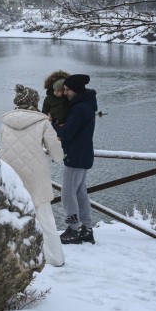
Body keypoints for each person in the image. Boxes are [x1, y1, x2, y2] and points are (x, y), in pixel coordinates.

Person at [0, 84, 66, 267]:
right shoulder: (43, 121)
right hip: (36, 176)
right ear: (35, 102)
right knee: (45, 218)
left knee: (13, 217)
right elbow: (57, 155)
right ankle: (55, 259)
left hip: (10, 176)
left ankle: (16, 257)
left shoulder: (5, 121)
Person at [55, 74, 98, 245]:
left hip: (76, 156)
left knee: (67, 194)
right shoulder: (87, 105)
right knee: (80, 193)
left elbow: (67, 134)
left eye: (67, 90)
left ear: (76, 90)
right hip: (84, 154)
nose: (65, 93)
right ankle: (86, 229)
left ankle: (73, 230)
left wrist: (51, 124)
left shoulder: (80, 109)